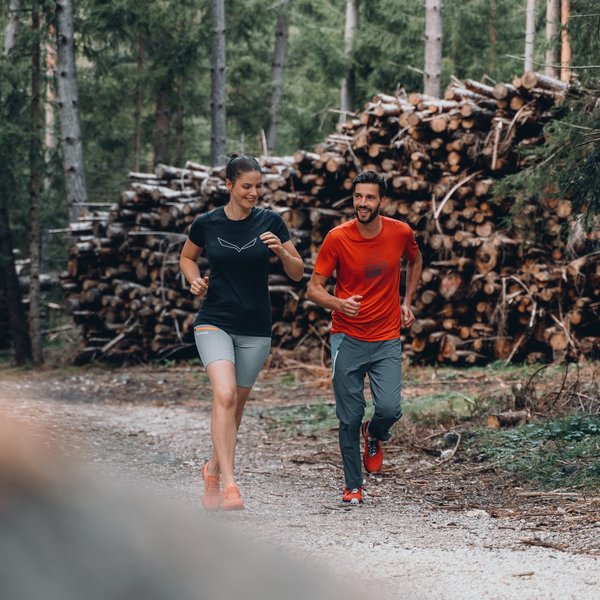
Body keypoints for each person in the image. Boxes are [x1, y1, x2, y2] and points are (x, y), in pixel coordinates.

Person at [179, 153, 304, 511]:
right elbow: (187, 257)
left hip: (255, 327)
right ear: (229, 185)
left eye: (258, 187)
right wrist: (194, 280)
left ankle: (212, 469)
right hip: (214, 319)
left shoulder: (271, 222)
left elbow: (297, 272)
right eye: (246, 186)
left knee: (234, 409)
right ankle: (230, 484)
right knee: (225, 394)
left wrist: (281, 251)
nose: (254, 193)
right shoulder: (208, 223)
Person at [306, 170, 422, 505]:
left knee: (388, 408)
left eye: (370, 197)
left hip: (386, 336)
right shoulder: (337, 238)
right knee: (349, 416)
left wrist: (408, 301)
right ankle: (353, 486)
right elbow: (314, 289)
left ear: (381, 201)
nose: (363, 203)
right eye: (358, 197)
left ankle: (374, 434)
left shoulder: (400, 232)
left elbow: (416, 260)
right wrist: (339, 303)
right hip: (347, 338)